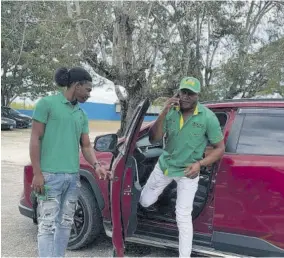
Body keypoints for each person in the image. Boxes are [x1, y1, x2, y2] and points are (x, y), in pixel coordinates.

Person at [139, 76, 225, 257]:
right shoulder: (170, 112)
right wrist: (163, 111)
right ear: (178, 92)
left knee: (183, 216)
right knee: (144, 202)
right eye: (183, 92)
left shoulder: (207, 117)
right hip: (165, 166)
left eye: (191, 94)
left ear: (197, 95)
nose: (185, 97)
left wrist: (199, 164)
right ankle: (161, 199)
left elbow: (219, 149)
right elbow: (154, 138)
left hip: (188, 172)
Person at [30, 67, 111, 257]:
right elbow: (35, 139)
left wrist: (97, 165)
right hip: (49, 176)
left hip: (73, 178)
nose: (89, 95)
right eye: (88, 90)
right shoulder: (47, 104)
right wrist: (37, 172)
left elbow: (86, 145)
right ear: (77, 85)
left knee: (66, 222)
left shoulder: (81, 114)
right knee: (47, 224)